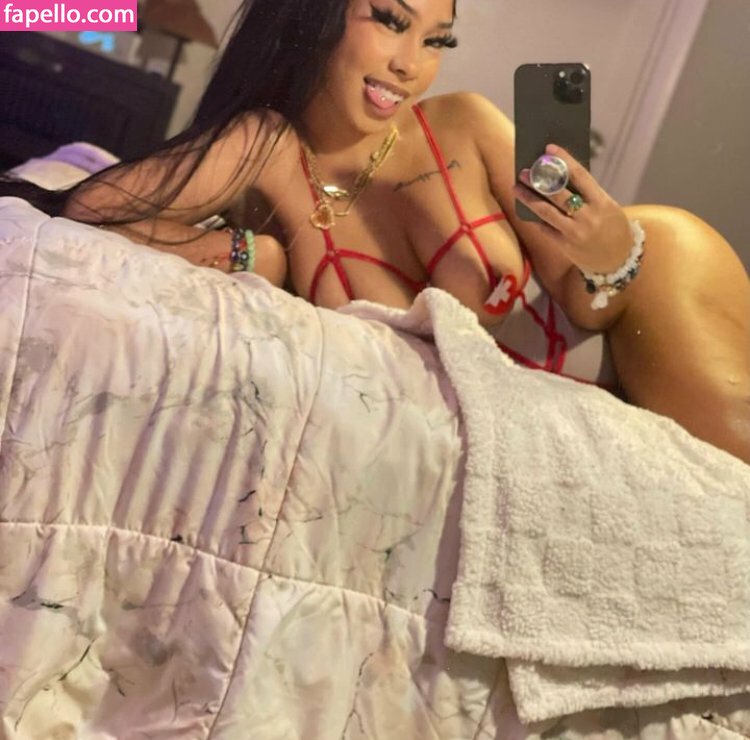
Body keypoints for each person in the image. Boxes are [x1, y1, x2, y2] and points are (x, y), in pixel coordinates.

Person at [2, 0, 749, 463]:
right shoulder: (265, 153)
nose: (409, 65)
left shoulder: (467, 125)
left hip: (646, 292)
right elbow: (90, 210)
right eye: (391, 21)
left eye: (436, 40)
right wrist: (249, 253)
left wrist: (611, 254)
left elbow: (587, 304)